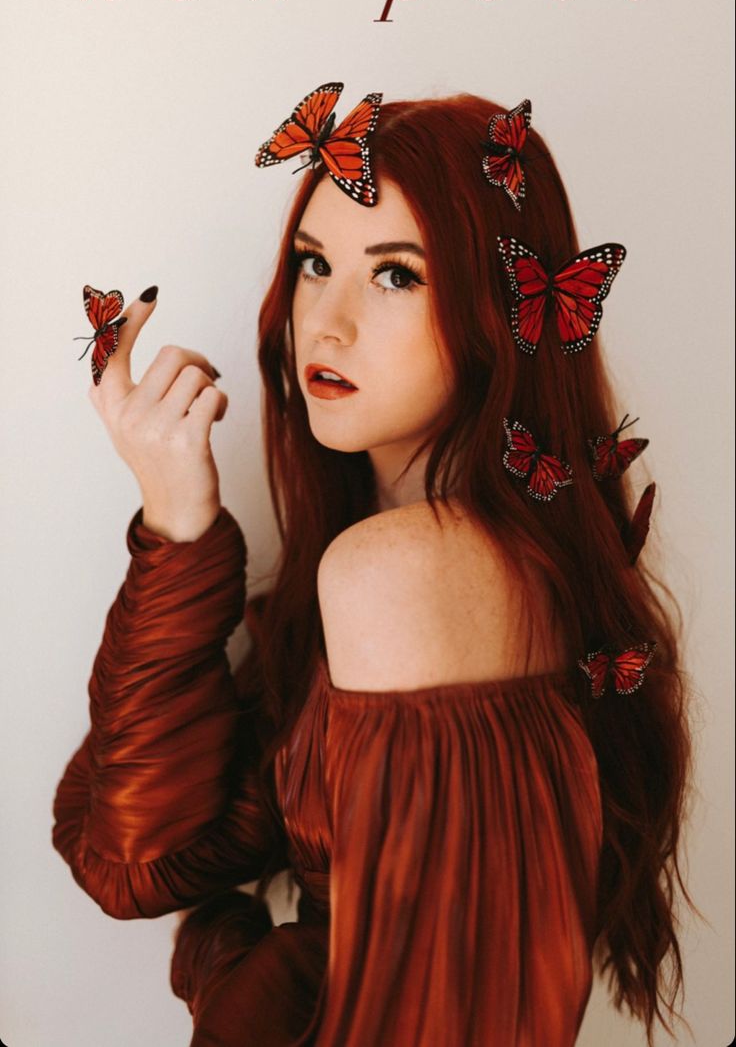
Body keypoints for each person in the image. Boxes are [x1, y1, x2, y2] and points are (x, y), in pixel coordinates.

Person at [53, 91, 695, 1047]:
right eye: (315, 264)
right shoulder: (420, 565)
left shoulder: (402, 574)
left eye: (396, 276)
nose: (329, 322)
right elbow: (136, 858)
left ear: (501, 306)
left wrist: (237, 973)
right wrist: (177, 527)